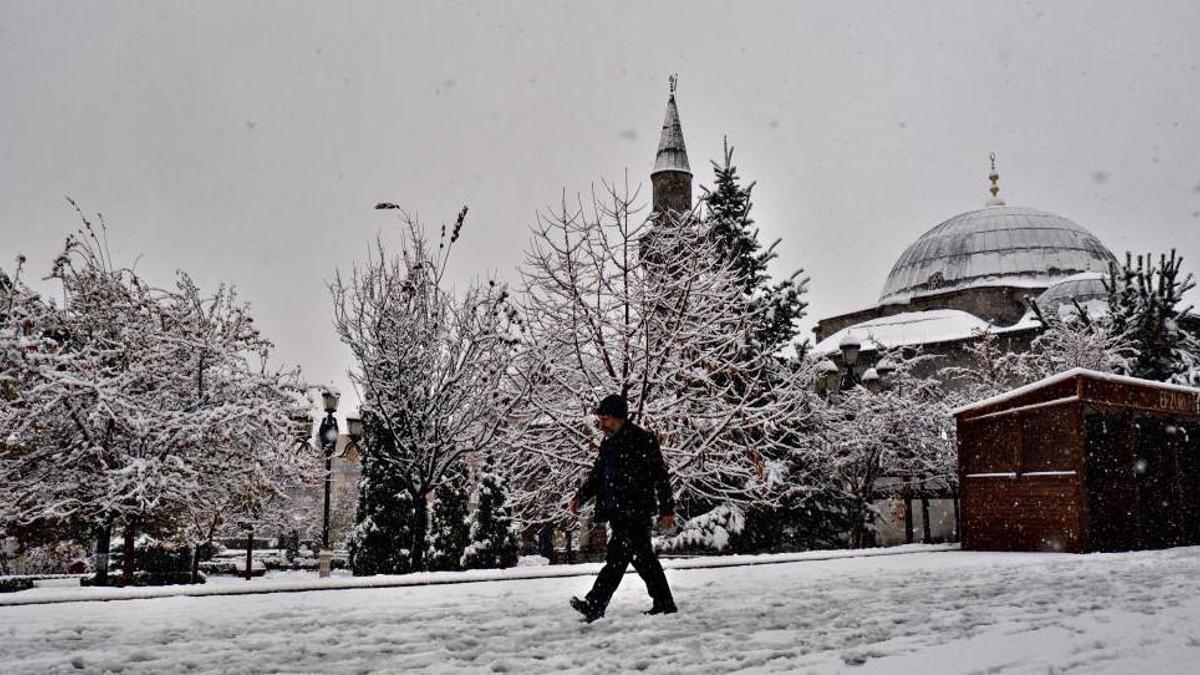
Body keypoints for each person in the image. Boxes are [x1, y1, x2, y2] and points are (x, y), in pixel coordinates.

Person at [568, 394, 677, 623]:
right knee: (643, 559)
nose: (602, 424)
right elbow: (597, 477)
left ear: (619, 418)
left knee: (617, 559)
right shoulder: (608, 444)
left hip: (636, 511)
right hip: (617, 511)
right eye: (600, 419)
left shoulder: (642, 440)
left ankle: (595, 604)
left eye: (606, 419)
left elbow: (660, 476)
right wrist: (580, 497)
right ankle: (665, 602)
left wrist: (667, 509)